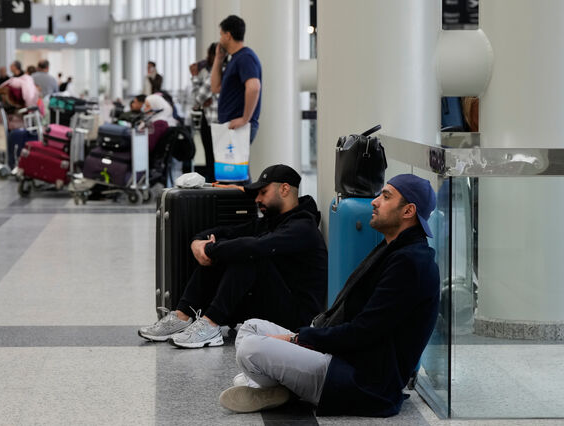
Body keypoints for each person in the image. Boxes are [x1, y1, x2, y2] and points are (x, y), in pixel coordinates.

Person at [219, 174, 440, 418]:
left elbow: (364, 332)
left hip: (361, 380)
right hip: (342, 357)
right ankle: (281, 387)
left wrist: (298, 339)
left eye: (386, 197)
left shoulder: (411, 263)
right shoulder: (395, 250)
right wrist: (307, 338)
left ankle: (277, 387)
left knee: (250, 349)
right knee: (250, 328)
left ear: (408, 211)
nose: (374, 201)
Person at [138, 164, 327, 349]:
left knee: (249, 254)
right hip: (269, 305)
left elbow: (256, 247)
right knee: (231, 249)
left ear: (284, 189)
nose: (257, 199)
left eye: (263, 192)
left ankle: (211, 325)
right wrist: (198, 242)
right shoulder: (271, 222)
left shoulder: (303, 228)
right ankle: (182, 316)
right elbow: (227, 232)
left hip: (297, 319)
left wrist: (211, 249)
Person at [211, 15, 262, 143]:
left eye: (221, 35)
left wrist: (245, 119)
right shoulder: (234, 59)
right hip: (231, 125)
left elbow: (254, 87)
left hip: (239, 126)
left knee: (234, 158)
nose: (220, 39)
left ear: (228, 35)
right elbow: (215, 88)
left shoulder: (245, 57)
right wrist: (218, 59)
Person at [191, 42, 219, 182]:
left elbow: (196, 100)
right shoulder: (228, 71)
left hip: (211, 122)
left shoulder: (215, 73)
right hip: (221, 122)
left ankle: (215, 188)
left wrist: (195, 76)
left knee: (211, 159)